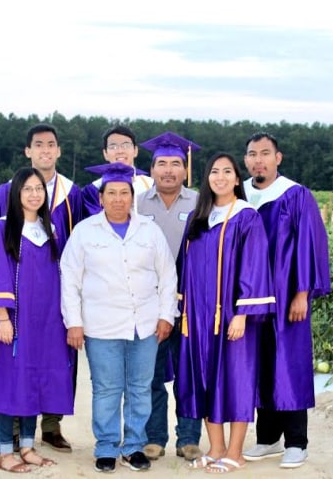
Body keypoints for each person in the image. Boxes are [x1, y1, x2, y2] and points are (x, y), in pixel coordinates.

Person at [60, 162, 178, 474]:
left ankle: (134, 446)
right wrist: (74, 322)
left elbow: (168, 276)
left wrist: (167, 315)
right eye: (111, 193)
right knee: (107, 388)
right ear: (101, 198)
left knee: (140, 387)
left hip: (146, 325)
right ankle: (107, 446)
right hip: (101, 326)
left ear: (132, 197)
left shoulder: (149, 231)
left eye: (124, 193)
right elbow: (70, 279)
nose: (118, 199)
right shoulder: (85, 232)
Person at [175, 153, 276, 473]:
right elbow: (184, 267)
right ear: (207, 179)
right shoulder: (198, 218)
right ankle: (216, 447)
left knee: (236, 380)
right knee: (205, 379)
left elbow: (255, 266)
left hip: (232, 316)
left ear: (236, 179)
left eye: (227, 171)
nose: (219, 177)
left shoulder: (247, 217)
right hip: (199, 318)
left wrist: (243, 314)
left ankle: (236, 451)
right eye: (214, 172)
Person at [0, 123, 81, 451]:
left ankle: (48, 427)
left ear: (58, 150)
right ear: (28, 150)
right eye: (38, 145)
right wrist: (2, 313)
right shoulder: (5, 197)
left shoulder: (71, 196)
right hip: (17, 304)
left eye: (51, 145)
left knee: (52, 362)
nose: (45, 150)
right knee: (15, 365)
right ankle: (10, 436)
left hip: (53, 304)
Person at [242, 132, 332, 469]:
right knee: (260, 363)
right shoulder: (241, 195)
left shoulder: (295, 195)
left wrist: (302, 293)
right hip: (250, 297)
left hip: (285, 294)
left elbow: (311, 244)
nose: (258, 160)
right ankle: (267, 438)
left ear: (278, 158)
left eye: (265, 153)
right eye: (252, 154)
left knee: (288, 362)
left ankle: (297, 441)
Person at [136, 131, 203, 462]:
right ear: (151, 169)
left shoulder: (200, 203)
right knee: (150, 372)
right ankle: (154, 437)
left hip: (190, 304)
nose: (168, 170)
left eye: (176, 164)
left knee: (189, 372)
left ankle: (189, 437)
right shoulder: (137, 204)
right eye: (161, 163)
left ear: (185, 170)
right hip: (149, 304)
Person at [82, 125, 154, 216]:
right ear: (105, 154)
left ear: (135, 151)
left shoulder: (151, 186)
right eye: (113, 146)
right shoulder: (92, 192)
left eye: (126, 145)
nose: (120, 151)